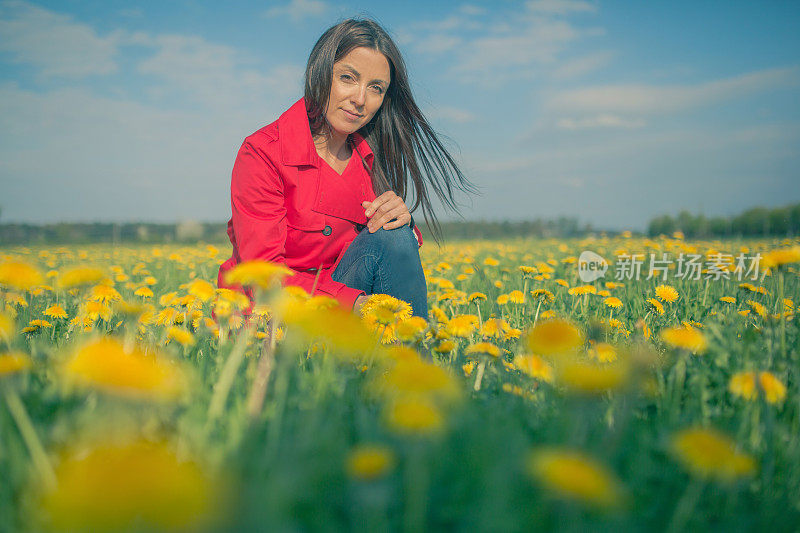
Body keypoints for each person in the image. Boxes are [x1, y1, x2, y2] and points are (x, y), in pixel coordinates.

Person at [217, 18, 474, 319]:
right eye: (348, 78)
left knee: (395, 234)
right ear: (321, 72)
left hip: (342, 306)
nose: (360, 99)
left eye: (376, 88)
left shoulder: (371, 160)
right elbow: (262, 278)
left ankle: (411, 360)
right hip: (270, 316)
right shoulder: (263, 153)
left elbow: (384, 252)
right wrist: (353, 304)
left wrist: (400, 222)